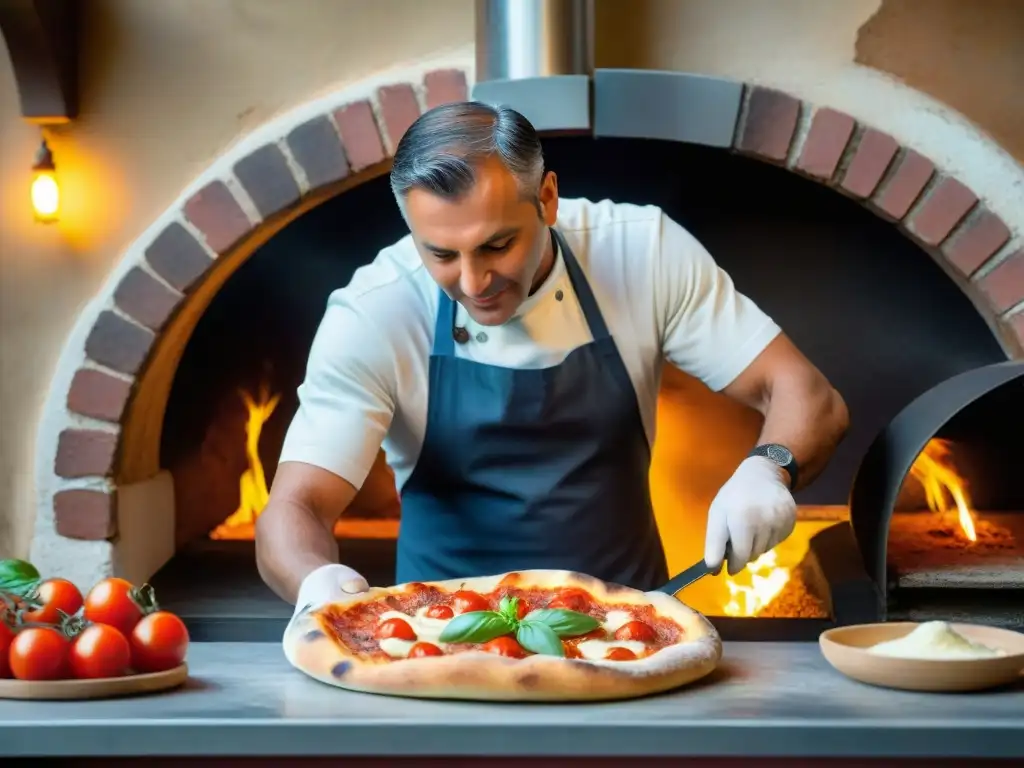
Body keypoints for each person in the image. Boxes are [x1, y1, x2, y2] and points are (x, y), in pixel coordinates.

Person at [255, 102, 849, 613]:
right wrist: (316, 584)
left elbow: (805, 393)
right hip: (438, 639)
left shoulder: (642, 251)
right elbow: (297, 506)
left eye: (497, 244)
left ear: (547, 198)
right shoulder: (374, 311)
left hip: (630, 629)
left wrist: (768, 467)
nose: (472, 280)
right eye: (440, 253)